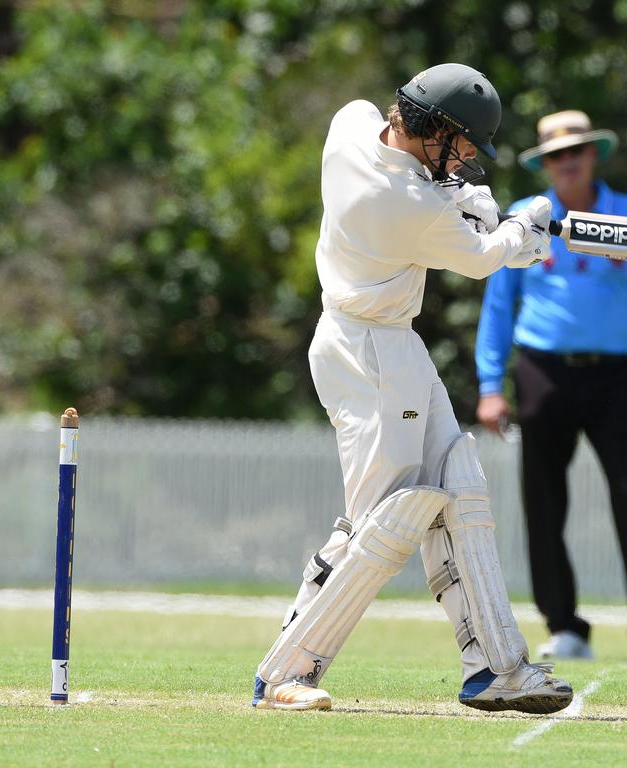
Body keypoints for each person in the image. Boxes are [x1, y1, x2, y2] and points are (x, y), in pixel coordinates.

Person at [250, 63, 574, 715]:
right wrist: (528, 225)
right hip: (369, 354)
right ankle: (287, 670)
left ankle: (496, 667)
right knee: (386, 521)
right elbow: (487, 258)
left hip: (382, 343)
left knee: (461, 484)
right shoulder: (406, 205)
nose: (463, 159)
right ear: (439, 130)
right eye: (460, 146)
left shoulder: (350, 126)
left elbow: (430, 194)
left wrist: (458, 194)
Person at [476, 110, 627, 661]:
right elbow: (498, 307)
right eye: (555, 156)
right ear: (545, 163)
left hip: (618, 375)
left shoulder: (625, 214)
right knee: (543, 502)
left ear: (593, 155)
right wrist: (490, 384)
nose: (567, 163)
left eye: (576, 152)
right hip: (543, 371)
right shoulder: (522, 218)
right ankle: (563, 626)